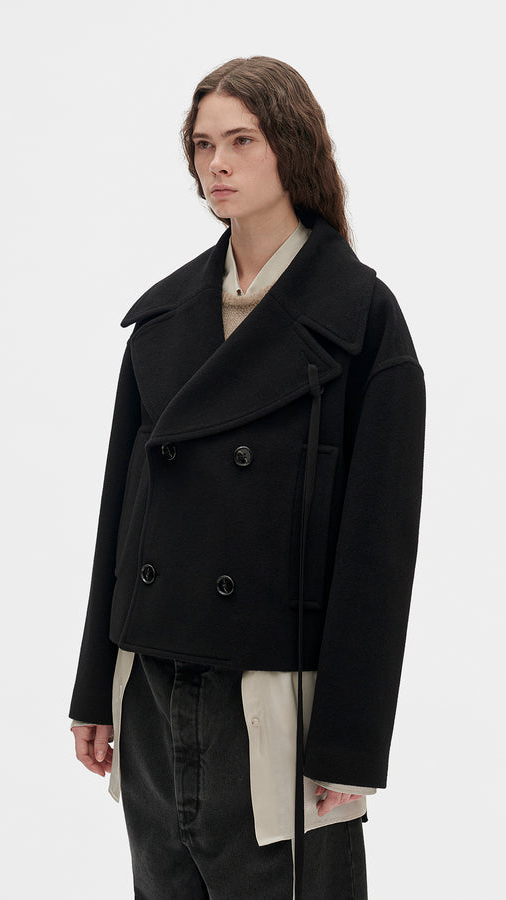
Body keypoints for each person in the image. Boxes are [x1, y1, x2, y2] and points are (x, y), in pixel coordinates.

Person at [69, 56, 426, 900]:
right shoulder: (162, 318)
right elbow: (121, 514)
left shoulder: (360, 320)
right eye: (203, 145)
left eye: (241, 140)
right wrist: (94, 688)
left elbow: (378, 552)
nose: (217, 164)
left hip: (275, 705)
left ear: (290, 148)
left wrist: (350, 743)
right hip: (149, 685)